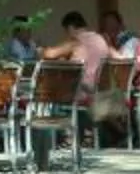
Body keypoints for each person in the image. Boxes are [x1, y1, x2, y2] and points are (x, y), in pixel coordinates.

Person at [44, 9, 126, 140]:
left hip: (82, 91)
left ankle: (58, 137)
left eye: (66, 31)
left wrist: (39, 49)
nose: (66, 35)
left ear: (71, 28)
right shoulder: (100, 39)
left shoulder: (76, 41)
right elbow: (120, 59)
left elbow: (49, 55)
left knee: (50, 93)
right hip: (101, 90)